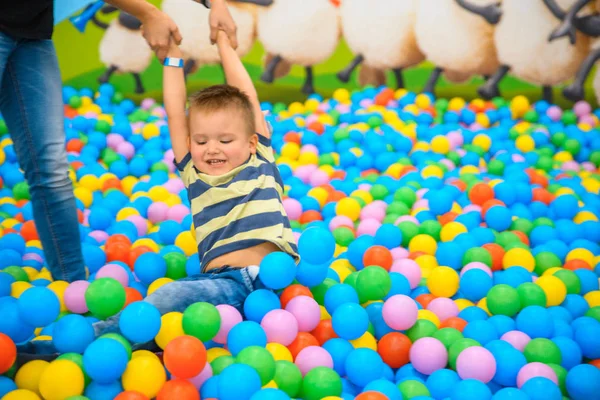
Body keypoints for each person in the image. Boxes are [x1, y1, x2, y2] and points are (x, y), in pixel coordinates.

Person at [20, 26, 299, 357]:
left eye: (225, 140)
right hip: (222, 285)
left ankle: (90, 342)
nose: (213, 149)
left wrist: (223, 44)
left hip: (262, 286)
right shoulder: (196, 175)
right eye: (201, 141)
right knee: (170, 303)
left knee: (167, 299)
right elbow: (175, 111)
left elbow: (247, 97)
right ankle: (112, 344)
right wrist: (173, 61)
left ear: (252, 140)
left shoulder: (260, 160)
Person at [0, 0, 238, 283]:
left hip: (30, 33)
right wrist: (148, 13)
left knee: (49, 169)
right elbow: (176, 114)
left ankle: (71, 287)